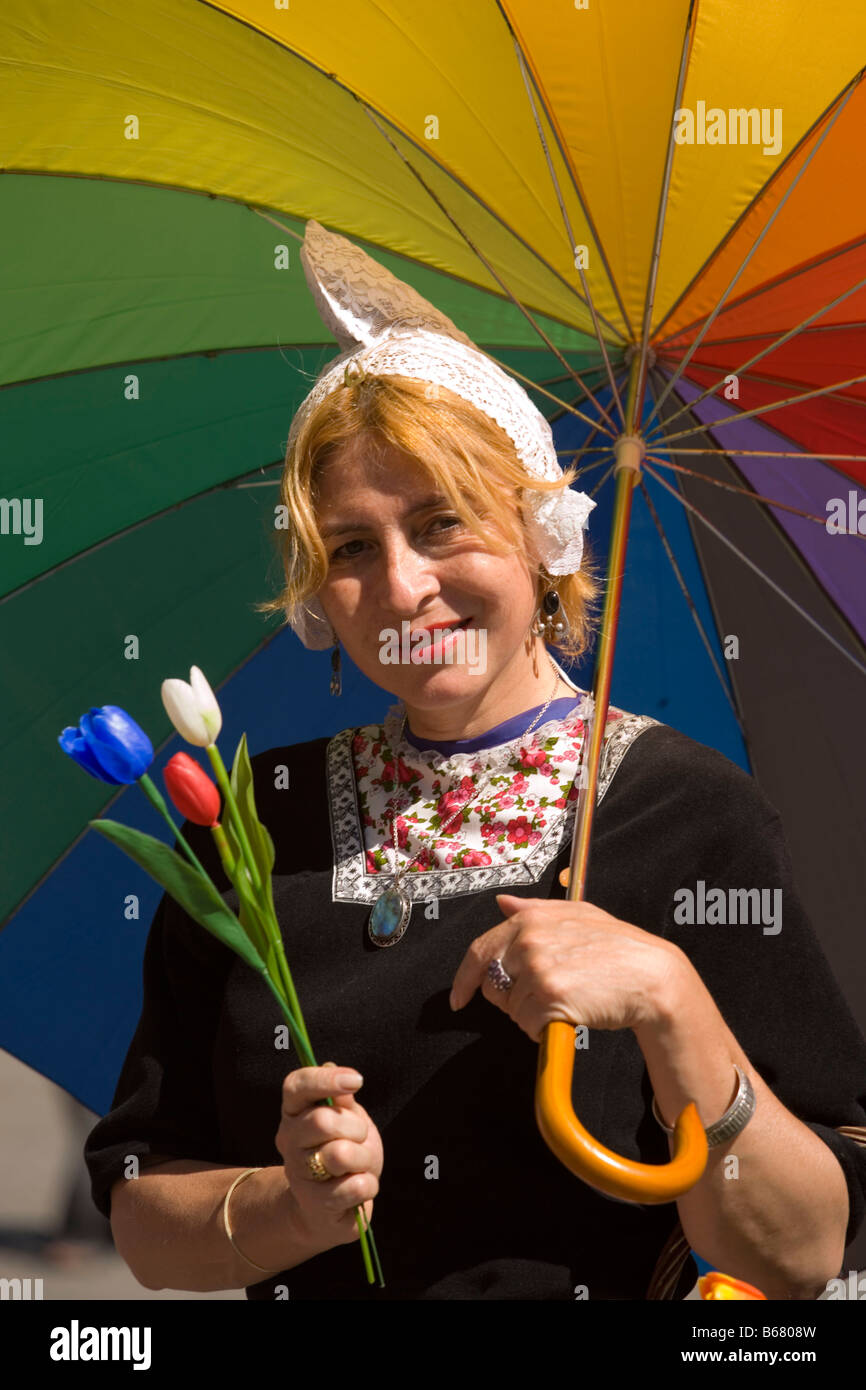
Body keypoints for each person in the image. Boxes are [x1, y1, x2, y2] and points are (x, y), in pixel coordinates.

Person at [84, 221, 866, 1301]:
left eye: (440, 523)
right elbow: (142, 1212)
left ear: (542, 539)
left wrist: (669, 995)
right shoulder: (257, 824)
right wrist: (293, 1208)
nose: (401, 587)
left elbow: (801, 1250)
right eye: (351, 546)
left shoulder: (686, 813)